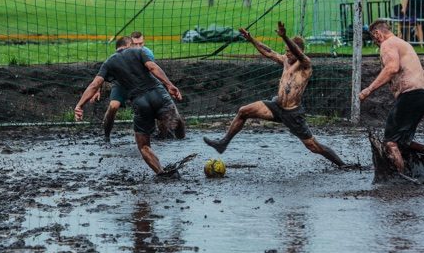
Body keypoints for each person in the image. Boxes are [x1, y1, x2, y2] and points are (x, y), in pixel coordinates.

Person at [203, 21, 349, 168]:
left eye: (289, 51)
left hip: (292, 113)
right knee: (243, 111)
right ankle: (223, 143)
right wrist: (251, 39)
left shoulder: (305, 64)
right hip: (277, 106)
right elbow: (268, 52)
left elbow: (298, 53)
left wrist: (285, 37)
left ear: (298, 51)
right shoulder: (286, 61)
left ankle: (342, 165)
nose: (286, 53)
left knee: (313, 146)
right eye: (285, 51)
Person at [75, 36, 186, 176]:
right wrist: (170, 85)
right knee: (176, 122)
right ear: (129, 44)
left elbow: (94, 84)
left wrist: (79, 105)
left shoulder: (109, 62)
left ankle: (161, 172)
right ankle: (181, 138)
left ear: (117, 47)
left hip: (140, 102)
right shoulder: (138, 52)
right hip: (158, 94)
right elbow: (152, 67)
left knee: (144, 146)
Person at [359, 20, 424, 175]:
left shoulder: (388, 44)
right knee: (402, 142)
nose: (375, 42)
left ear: (377, 33)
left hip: (411, 95)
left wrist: (368, 90)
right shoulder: (403, 43)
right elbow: (416, 71)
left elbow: (392, 68)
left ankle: (400, 178)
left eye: (374, 38)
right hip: (420, 94)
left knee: (390, 142)